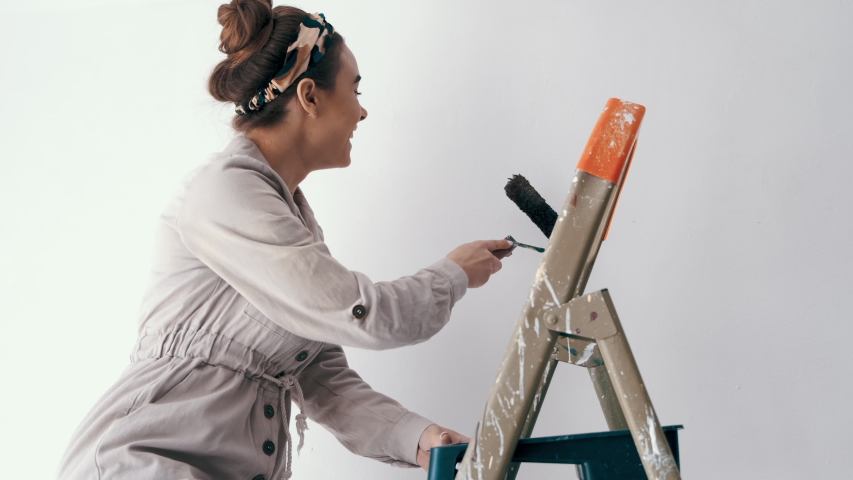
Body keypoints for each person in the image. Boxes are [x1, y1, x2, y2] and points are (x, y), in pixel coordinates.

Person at [56, 2, 512, 479]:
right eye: (355, 90)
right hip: (143, 465)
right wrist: (453, 274)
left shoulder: (291, 224)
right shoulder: (226, 191)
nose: (363, 110)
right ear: (310, 96)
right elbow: (370, 316)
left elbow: (321, 379)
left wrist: (418, 438)